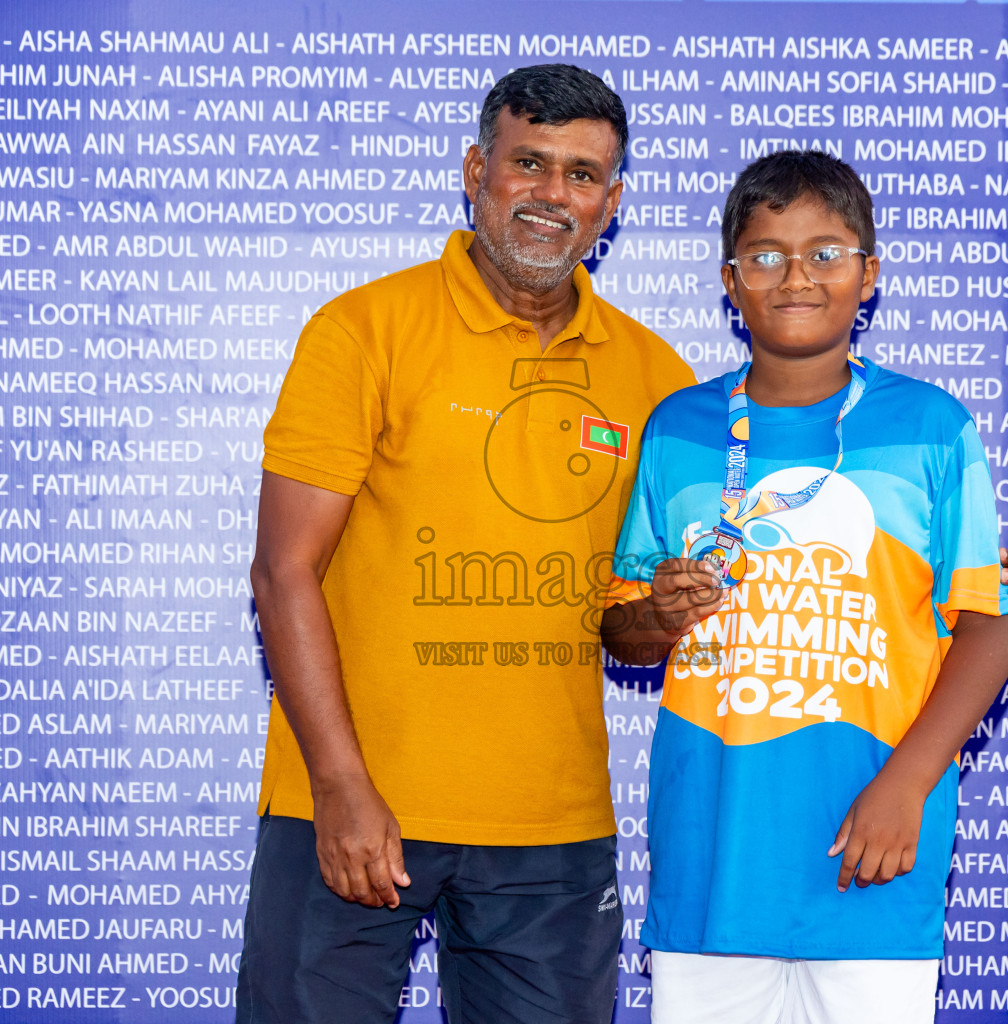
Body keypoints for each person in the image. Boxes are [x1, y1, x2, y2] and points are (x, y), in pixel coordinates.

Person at [235, 65, 697, 1024]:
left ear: (613, 203)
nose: (550, 195)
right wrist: (341, 788)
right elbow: (284, 574)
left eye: (580, 175)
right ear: (475, 170)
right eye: (528, 163)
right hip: (353, 810)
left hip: (552, 829)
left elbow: (628, 633)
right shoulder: (364, 329)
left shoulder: (657, 378)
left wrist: (669, 611)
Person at [601, 150, 1008, 1024]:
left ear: (869, 275)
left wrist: (908, 783)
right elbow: (624, 633)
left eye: (826, 253)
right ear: (730, 279)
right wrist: (658, 613)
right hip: (715, 853)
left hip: (872, 843)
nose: (795, 276)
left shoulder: (931, 427)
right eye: (765, 255)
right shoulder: (678, 428)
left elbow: (987, 627)